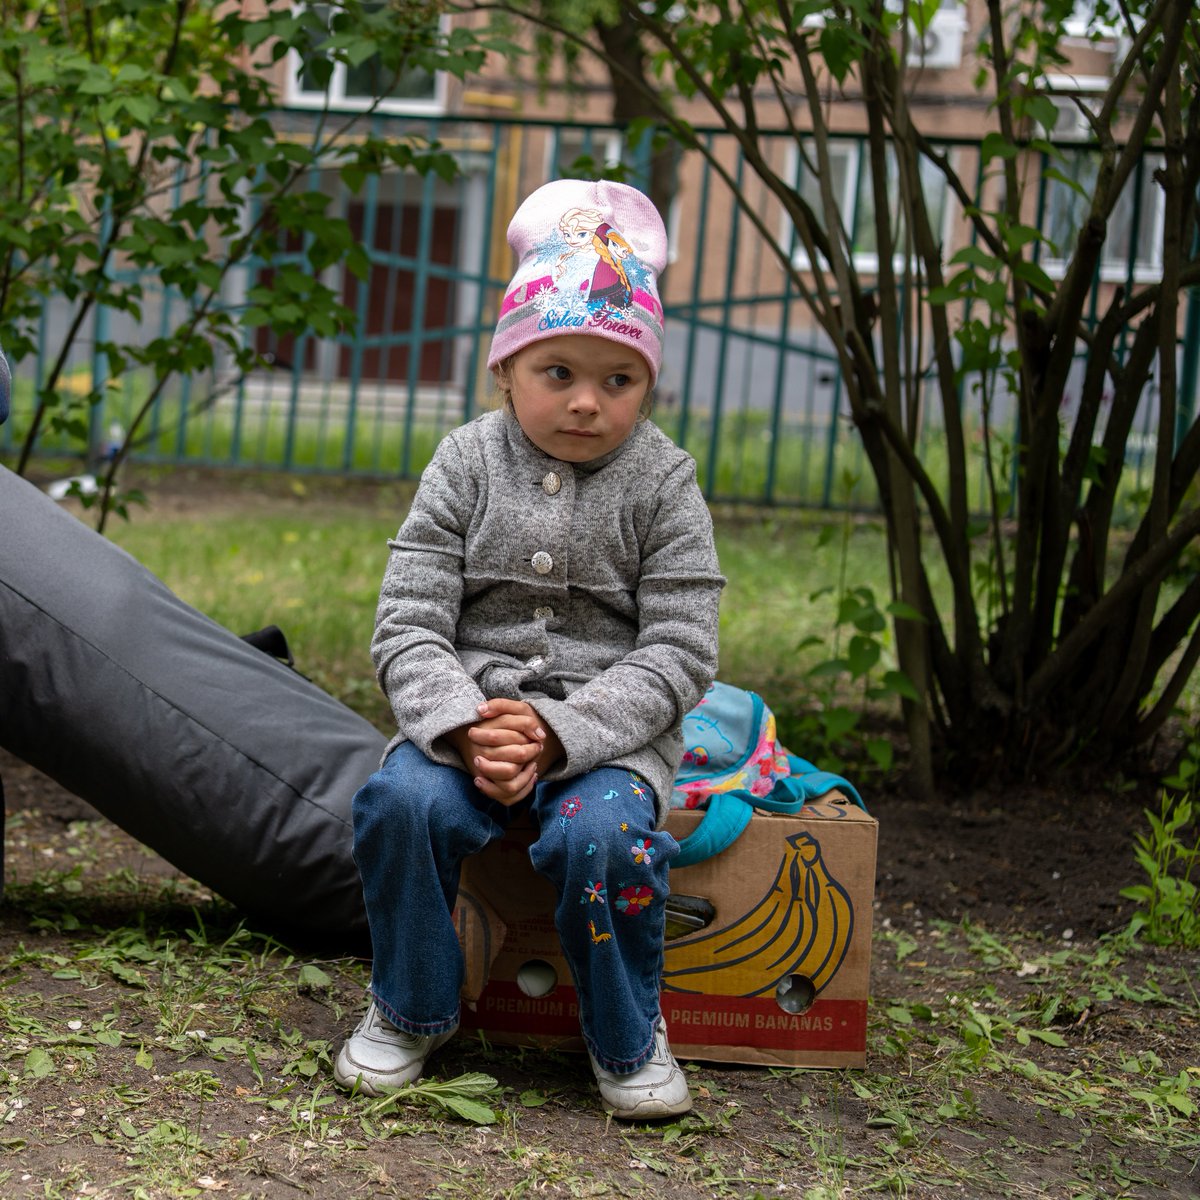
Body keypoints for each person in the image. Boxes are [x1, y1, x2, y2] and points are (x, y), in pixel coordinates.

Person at [333, 179, 724, 1120]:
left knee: (604, 836)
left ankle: (627, 1036)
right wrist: (464, 727)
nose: (588, 402)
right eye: (560, 373)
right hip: (466, 724)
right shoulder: (466, 463)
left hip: (606, 739)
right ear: (506, 368)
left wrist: (561, 732)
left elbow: (681, 647)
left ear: (647, 385)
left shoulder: (664, 484)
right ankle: (411, 1008)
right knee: (398, 804)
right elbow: (409, 618)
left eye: (618, 380)